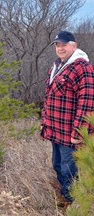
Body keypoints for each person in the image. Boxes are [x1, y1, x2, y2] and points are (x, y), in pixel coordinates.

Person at [40, 30, 94, 207]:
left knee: (69, 169)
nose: (60, 48)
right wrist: (44, 124)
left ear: (74, 46)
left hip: (71, 133)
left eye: (64, 44)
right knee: (58, 166)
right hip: (56, 131)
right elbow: (49, 98)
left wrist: (79, 132)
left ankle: (74, 204)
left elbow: (87, 102)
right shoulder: (57, 66)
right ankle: (66, 197)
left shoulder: (82, 67)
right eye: (57, 45)